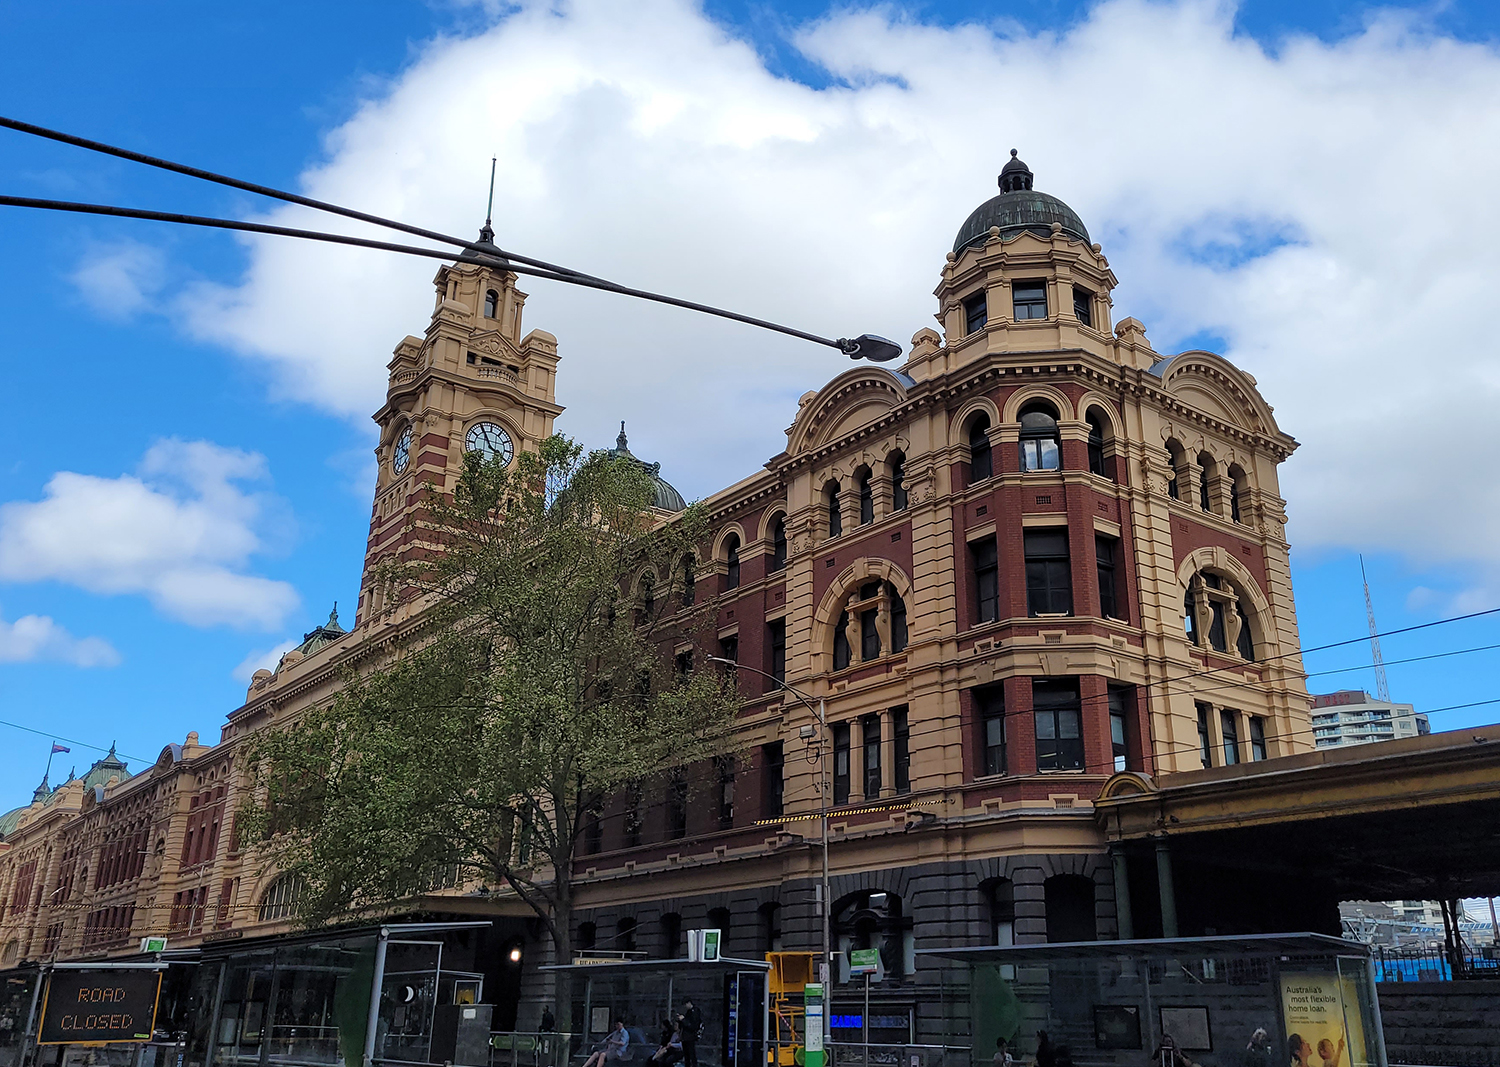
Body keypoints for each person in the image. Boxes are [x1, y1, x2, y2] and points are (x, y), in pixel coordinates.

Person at [678, 999, 702, 1067]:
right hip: (685, 1037)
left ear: (689, 1003)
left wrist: (683, 1020)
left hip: (691, 1037)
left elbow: (693, 1025)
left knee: (691, 1055)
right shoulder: (688, 1012)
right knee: (687, 1056)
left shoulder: (695, 1012)